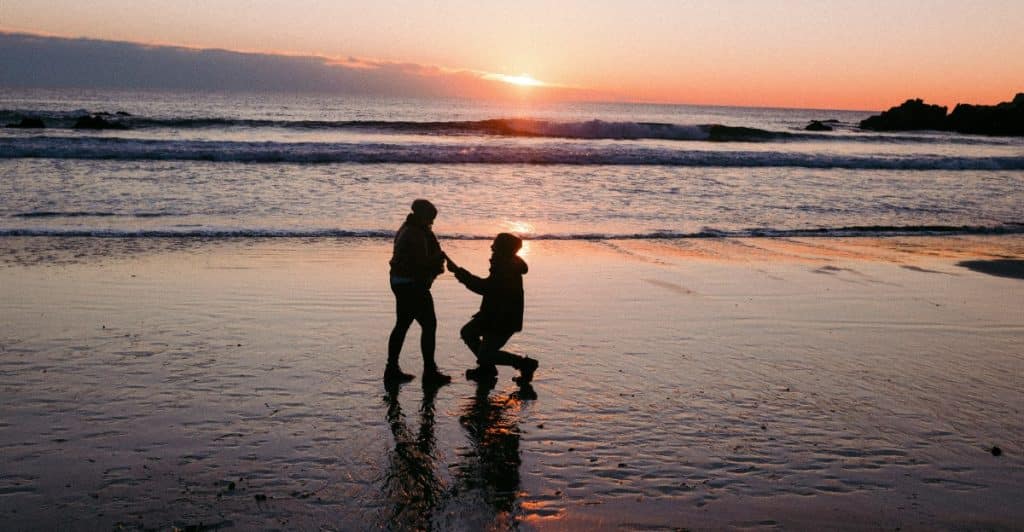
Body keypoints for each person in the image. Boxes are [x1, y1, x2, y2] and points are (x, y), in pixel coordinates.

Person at [446, 233, 538, 383]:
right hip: (492, 315)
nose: (491, 246)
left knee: (486, 354)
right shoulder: (505, 263)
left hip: (503, 319)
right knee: (468, 333)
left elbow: (485, 288)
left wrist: (458, 272)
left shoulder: (506, 266)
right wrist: (458, 272)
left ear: (502, 248)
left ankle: (524, 364)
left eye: (495, 244)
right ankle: (486, 369)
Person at [386, 199, 451, 384]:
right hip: (411, 284)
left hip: (399, 281)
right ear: (423, 216)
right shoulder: (415, 234)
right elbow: (422, 263)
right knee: (429, 325)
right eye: (430, 218)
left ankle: (392, 368)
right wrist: (438, 258)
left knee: (402, 324)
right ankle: (429, 372)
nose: (431, 222)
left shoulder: (407, 228)